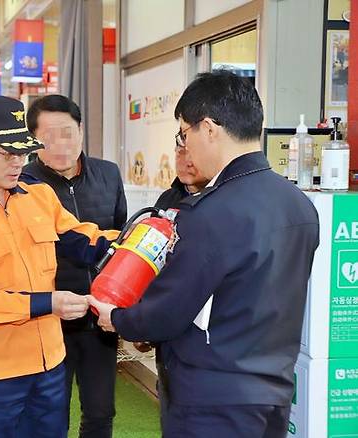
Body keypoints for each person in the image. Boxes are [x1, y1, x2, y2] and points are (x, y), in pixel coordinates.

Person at [89, 71, 319, 438]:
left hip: (212, 400)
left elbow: (168, 312)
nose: (183, 145)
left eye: (184, 133)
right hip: (272, 393)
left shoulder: (210, 214)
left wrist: (116, 318)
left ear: (208, 128)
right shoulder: (299, 204)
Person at [0, 96, 119, 438]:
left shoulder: (38, 194)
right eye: (7, 153)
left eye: (23, 153)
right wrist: (49, 303)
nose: (18, 163)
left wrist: (136, 243)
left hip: (50, 362)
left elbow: (82, 238)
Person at [23, 94, 127, 438]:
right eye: (48, 136)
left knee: (100, 411)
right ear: (33, 140)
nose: (60, 145)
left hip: (101, 317)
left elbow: (120, 246)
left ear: (81, 131)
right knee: (51, 414)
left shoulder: (109, 175)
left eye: (67, 132)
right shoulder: (21, 185)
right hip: (46, 318)